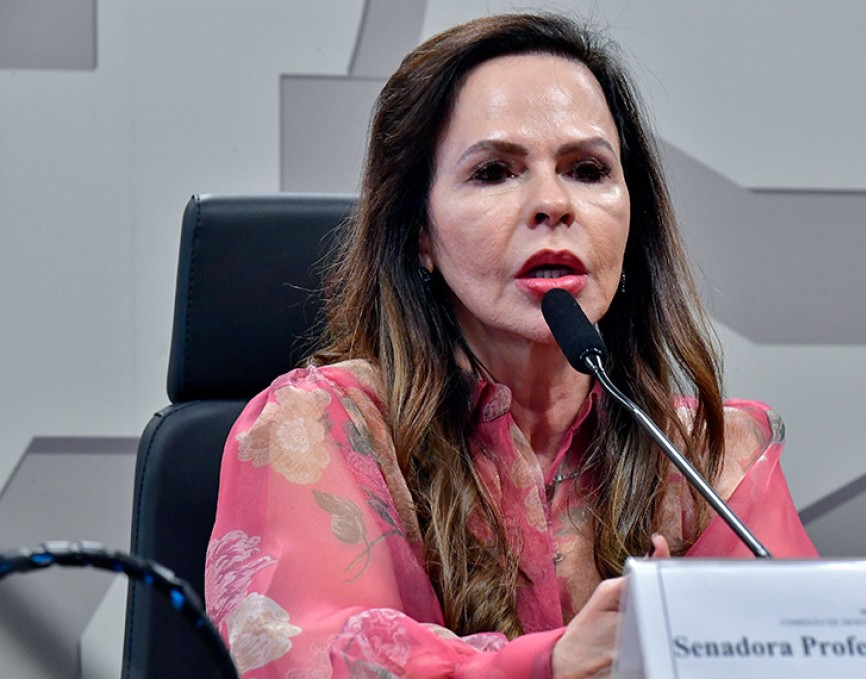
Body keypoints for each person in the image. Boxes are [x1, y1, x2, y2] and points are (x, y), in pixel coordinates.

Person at [205, 12, 817, 678]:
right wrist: (549, 664)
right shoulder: (317, 429)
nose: (553, 203)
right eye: (495, 171)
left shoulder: (705, 454)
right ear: (421, 236)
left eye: (588, 170)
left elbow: (806, 653)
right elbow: (317, 659)